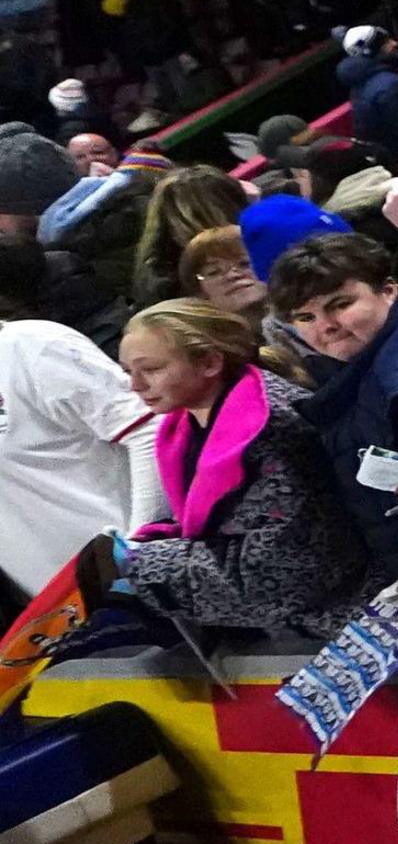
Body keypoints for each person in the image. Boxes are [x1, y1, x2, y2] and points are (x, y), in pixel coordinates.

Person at [113, 299, 368, 638]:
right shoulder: (185, 424)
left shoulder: (274, 428)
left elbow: (276, 575)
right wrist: (158, 540)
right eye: (129, 371)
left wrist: (138, 564)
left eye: (152, 369)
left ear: (209, 363)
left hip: (336, 622)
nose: (136, 385)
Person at [264, 229, 398, 583]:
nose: (326, 327)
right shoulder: (354, 376)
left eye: (340, 305)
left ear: (388, 290)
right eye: (306, 318)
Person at [0, 236, 152, 596]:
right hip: (51, 610)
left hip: (139, 581)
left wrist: (142, 546)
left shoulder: (31, 346)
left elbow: (147, 431)